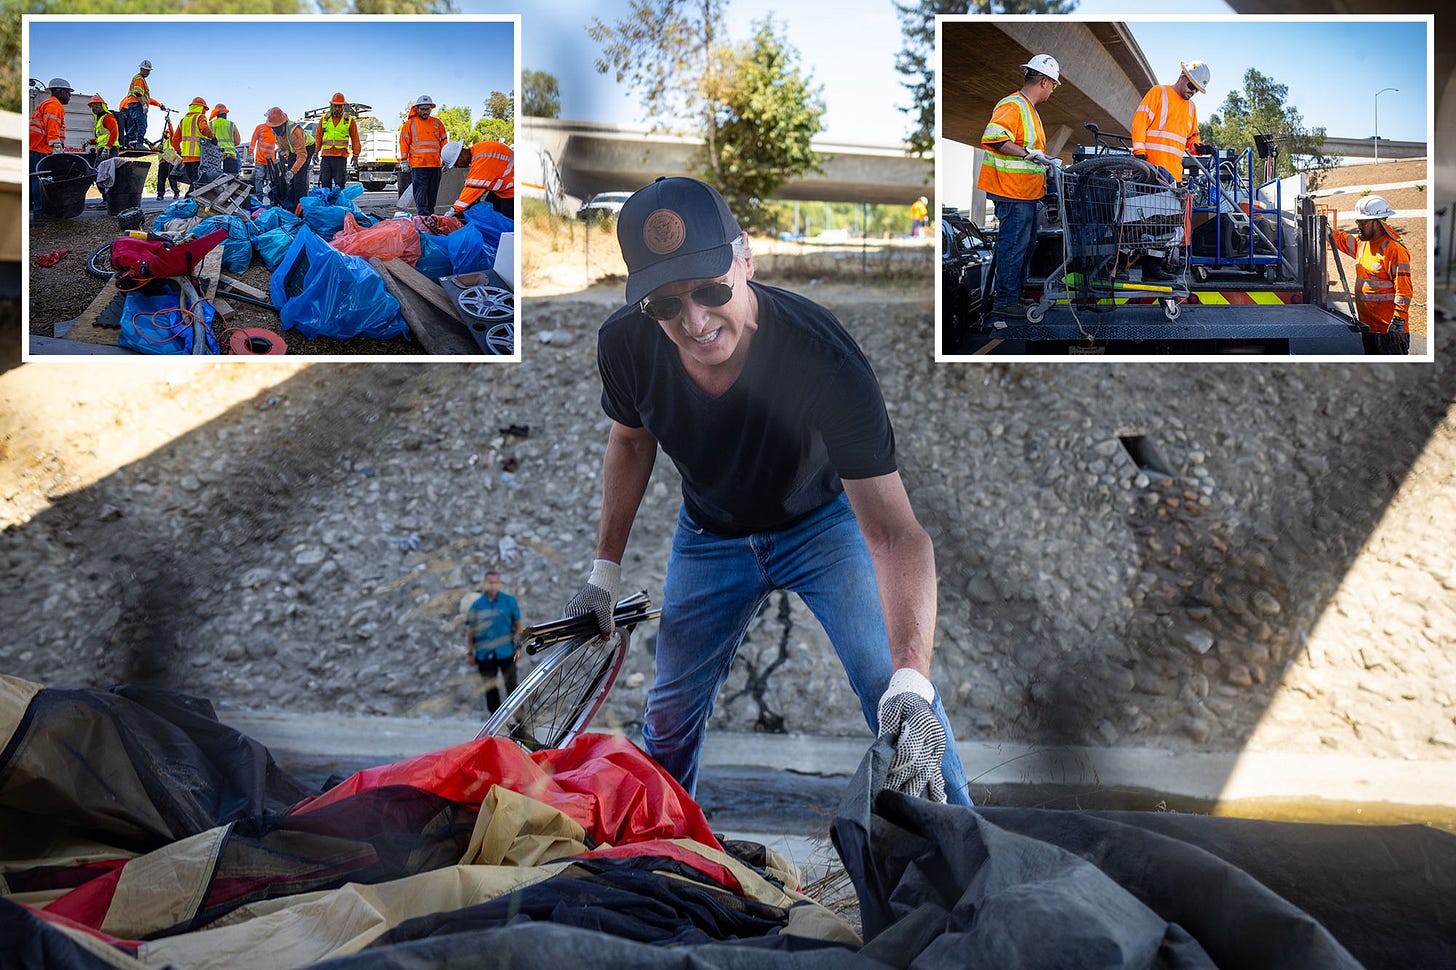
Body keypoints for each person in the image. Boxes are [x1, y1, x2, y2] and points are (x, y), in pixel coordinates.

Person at [564, 176, 970, 805]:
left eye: (709, 290)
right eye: (666, 306)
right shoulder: (626, 344)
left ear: (745, 259)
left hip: (820, 527)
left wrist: (913, 678)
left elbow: (894, 534)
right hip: (708, 536)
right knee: (668, 716)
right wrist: (604, 571)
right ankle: (664, 860)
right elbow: (630, 441)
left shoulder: (821, 356)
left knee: (891, 687)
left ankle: (965, 862)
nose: (694, 321)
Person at [978, 53, 1060, 321]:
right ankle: (1005, 301)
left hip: (1023, 192)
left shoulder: (1028, 109)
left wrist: (1041, 161)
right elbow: (994, 138)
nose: (1052, 92)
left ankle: (1013, 294)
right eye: (1054, 86)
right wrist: (1028, 154)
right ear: (1045, 82)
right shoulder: (1013, 105)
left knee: (1023, 245)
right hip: (1011, 191)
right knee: (1014, 245)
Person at [1329, 194, 1413, 355]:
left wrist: (1399, 320)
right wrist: (1322, 227)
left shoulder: (1394, 250)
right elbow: (1339, 239)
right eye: (1357, 221)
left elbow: (1404, 290)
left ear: (1378, 223)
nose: (1358, 226)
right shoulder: (1362, 243)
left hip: (1389, 330)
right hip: (1368, 326)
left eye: (1362, 222)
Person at [1131, 60, 1211, 185]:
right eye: (1191, 86)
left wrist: (1198, 147)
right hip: (1151, 173)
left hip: (1174, 177)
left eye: (1197, 90)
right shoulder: (1159, 92)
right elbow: (1140, 121)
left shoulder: (1191, 107)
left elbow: (1191, 138)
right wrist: (1139, 152)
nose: (1193, 92)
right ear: (1182, 77)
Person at [465, 570, 523, 714]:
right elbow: (471, 631)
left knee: (511, 685)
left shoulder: (509, 601)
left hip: (506, 651)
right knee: (490, 688)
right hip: (485, 653)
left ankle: (519, 720)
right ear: (485, 583)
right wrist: (470, 652)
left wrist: (519, 647)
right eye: (490, 582)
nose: (493, 586)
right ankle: (495, 721)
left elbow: (517, 626)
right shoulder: (477, 605)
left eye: (496, 582)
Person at [28, 77, 71, 219]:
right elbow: (52, 126)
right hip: (40, 147)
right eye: (68, 93)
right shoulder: (54, 105)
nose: (69, 96)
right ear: (59, 91)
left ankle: (36, 211)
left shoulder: (47, 103)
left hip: (34, 146)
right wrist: (56, 145)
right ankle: (40, 213)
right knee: (40, 179)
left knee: (34, 178)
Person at [400, 94, 448, 216]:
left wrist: (447, 160)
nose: (425, 112)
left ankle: (430, 217)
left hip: (435, 165)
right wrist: (404, 161)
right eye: (423, 109)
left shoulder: (438, 123)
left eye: (427, 109)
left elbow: (444, 143)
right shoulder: (410, 124)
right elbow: (404, 143)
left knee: (432, 195)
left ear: (431, 108)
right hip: (418, 165)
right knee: (420, 194)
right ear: (417, 109)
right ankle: (423, 217)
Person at [253, 107, 310, 207]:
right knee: (291, 181)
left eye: (277, 128)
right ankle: (291, 206)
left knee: (299, 179)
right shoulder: (277, 133)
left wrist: (293, 171)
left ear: (283, 124)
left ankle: (300, 209)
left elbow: (302, 155)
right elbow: (285, 148)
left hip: (307, 147)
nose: (275, 131)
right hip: (293, 151)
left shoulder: (294, 132)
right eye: (273, 128)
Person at [447, 139, 514, 219]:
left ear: (461, 156)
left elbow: (472, 188)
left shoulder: (482, 159)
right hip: (503, 189)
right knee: (488, 209)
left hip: (511, 191)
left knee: (506, 221)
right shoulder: (478, 150)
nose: (457, 167)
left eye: (456, 164)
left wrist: (452, 212)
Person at [316, 92, 362, 193]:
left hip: (340, 157)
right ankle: (327, 207)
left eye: (339, 106)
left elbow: (355, 138)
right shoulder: (324, 119)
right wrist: (316, 152)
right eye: (335, 106)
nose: (337, 108)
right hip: (326, 156)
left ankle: (339, 206)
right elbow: (318, 136)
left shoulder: (349, 120)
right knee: (325, 184)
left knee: (339, 184)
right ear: (331, 106)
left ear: (343, 106)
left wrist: (356, 155)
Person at [120, 59, 164, 148]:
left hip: (133, 105)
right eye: (146, 70)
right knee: (142, 124)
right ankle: (139, 144)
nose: (147, 72)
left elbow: (147, 99)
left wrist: (159, 104)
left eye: (148, 70)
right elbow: (138, 93)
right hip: (137, 105)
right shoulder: (139, 79)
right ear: (141, 69)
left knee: (136, 125)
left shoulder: (140, 79)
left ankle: (126, 140)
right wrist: (143, 105)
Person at [172, 96, 214, 187]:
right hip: (198, 156)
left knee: (192, 180)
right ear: (201, 108)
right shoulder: (200, 117)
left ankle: (191, 197)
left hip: (186, 158)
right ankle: (192, 198)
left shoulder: (183, 120)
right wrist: (213, 137)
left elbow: (175, 139)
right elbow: (204, 128)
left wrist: (178, 151)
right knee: (198, 180)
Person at [155, 116, 185, 201]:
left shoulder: (171, 140)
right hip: (162, 163)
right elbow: (154, 149)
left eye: (167, 133)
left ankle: (176, 192)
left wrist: (169, 122)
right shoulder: (162, 143)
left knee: (172, 179)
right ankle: (160, 195)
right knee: (161, 179)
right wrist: (148, 144)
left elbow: (172, 131)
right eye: (165, 133)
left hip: (170, 162)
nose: (166, 134)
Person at [86, 95, 122, 161]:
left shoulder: (107, 117)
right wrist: (90, 141)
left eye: (96, 105)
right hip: (104, 149)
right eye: (92, 106)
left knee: (100, 169)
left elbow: (114, 132)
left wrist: (107, 148)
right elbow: (102, 138)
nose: (93, 108)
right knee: (101, 169)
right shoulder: (100, 120)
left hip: (109, 149)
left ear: (102, 106)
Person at [209, 104, 242, 176]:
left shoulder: (210, 125)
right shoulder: (231, 125)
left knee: (213, 182)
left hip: (214, 159)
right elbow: (237, 141)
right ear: (225, 114)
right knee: (231, 183)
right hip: (229, 158)